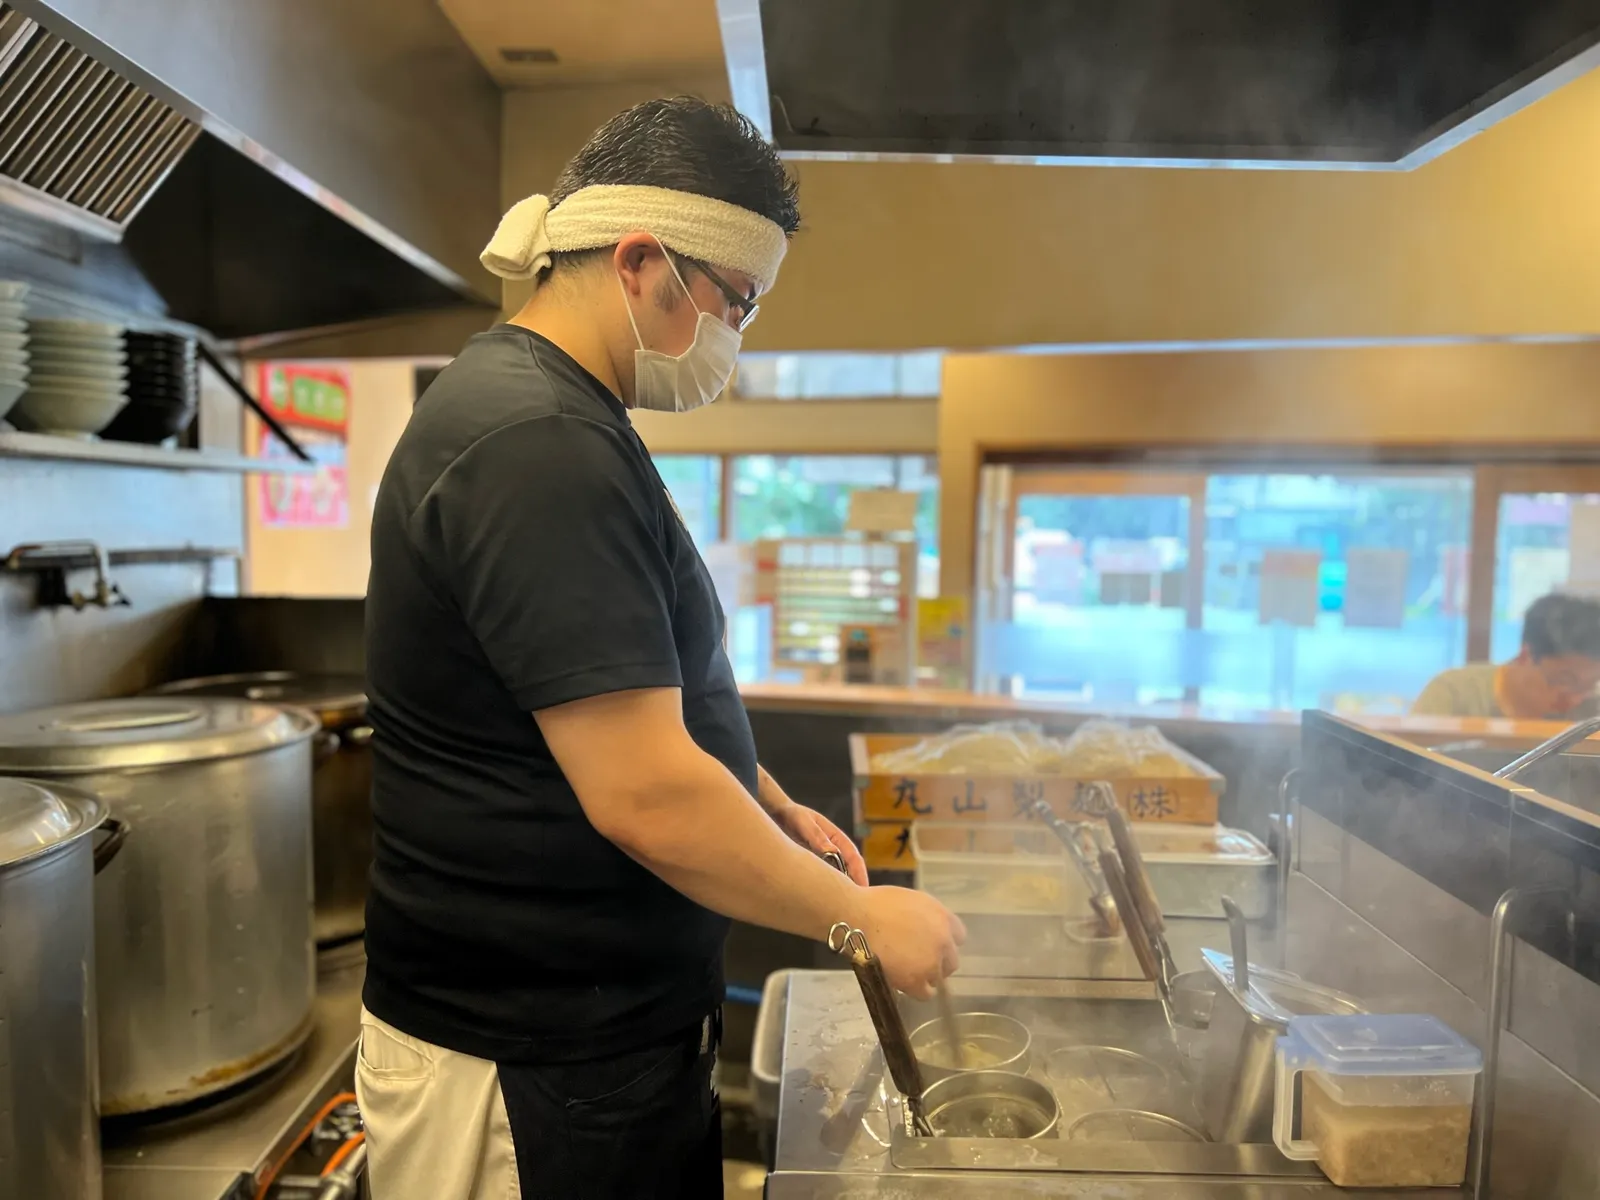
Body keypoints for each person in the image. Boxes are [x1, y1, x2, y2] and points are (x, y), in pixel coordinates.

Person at [357, 97, 964, 1200]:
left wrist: (760, 793)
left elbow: (625, 695)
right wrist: (862, 919)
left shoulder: (564, 420)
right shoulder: (538, 445)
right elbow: (641, 794)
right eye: (738, 303)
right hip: (532, 1059)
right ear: (640, 261)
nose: (736, 337)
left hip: (593, 1040)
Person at [1412, 592, 1600, 720]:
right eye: (1565, 681)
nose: (1575, 699)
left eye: (1589, 685)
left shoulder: (1592, 711)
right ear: (1526, 656)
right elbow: (1410, 771)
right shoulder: (1454, 694)